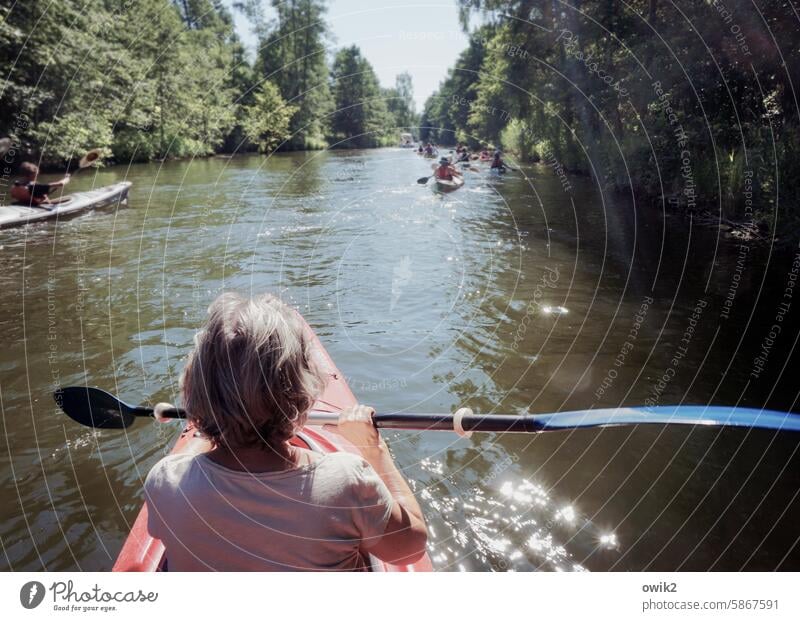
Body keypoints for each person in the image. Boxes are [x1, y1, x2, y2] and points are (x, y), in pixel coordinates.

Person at [143, 292, 428, 571]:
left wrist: (210, 426)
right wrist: (375, 451)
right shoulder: (346, 480)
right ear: (301, 391)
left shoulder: (165, 480)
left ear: (196, 391)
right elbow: (410, 549)